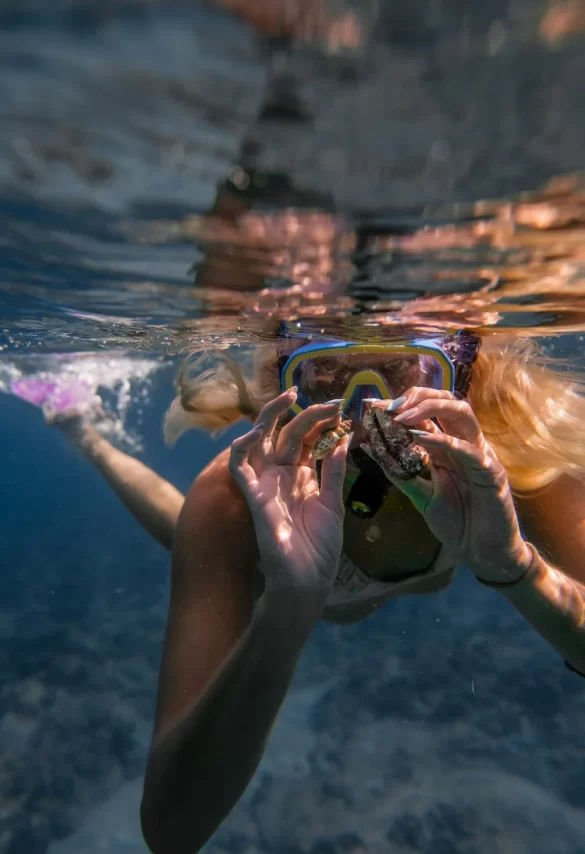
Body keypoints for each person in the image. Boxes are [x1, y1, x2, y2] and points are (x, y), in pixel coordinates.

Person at [23, 324, 585, 853]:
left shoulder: (509, 444)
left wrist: (513, 565)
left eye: (398, 372)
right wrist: (287, 609)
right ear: (285, 379)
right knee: (187, 529)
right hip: (282, 576)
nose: (368, 414)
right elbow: (171, 829)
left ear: (459, 373)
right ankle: (86, 435)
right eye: (330, 378)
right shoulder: (240, 496)